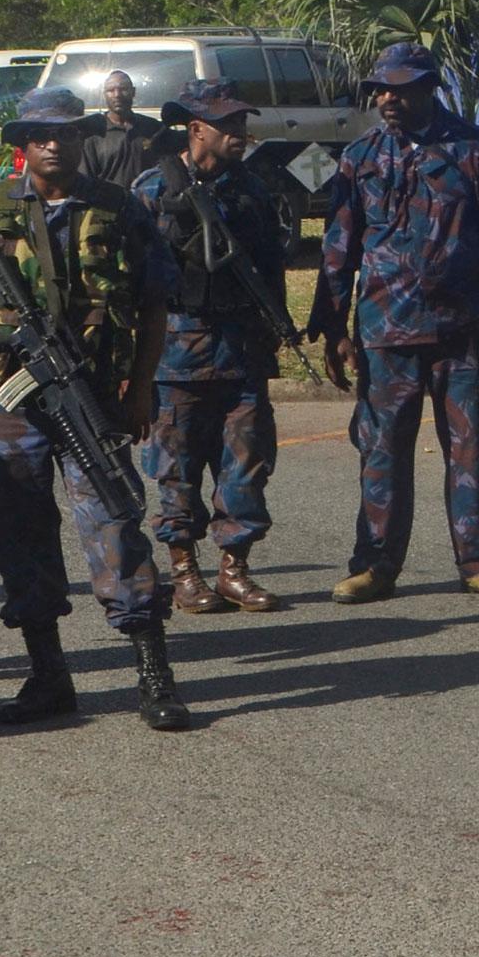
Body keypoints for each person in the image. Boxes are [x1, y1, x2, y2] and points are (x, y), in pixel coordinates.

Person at [0, 86, 191, 730]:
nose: (56, 144)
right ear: (22, 144)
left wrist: (141, 389)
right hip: (10, 402)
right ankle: (48, 674)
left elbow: (158, 301)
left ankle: (152, 671)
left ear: (84, 140)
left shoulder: (120, 209)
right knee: (17, 528)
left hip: (92, 397)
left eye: (68, 133)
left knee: (113, 517)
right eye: (42, 135)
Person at [308, 43, 479, 605]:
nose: (387, 98)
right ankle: (375, 565)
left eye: (399, 88)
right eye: (380, 89)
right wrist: (333, 326)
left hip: (463, 330)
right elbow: (339, 246)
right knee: (380, 451)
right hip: (385, 330)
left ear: (428, 88)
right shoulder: (360, 156)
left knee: (471, 449)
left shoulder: (473, 153)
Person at [129, 79, 288, 615]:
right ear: (196, 129)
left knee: (246, 465)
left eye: (243, 124)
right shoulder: (153, 190)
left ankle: (234, 570)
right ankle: (183, 571)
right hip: (176, 356)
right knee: (176, 469)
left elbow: (272, 269)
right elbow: (131, 282)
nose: (240, 134)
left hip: (241, 353)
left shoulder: (252, 190)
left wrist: (275, 333)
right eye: (229, 125)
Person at [79, 70, 164, 189]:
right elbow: (85, 179)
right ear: (104, 94)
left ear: (133, 92)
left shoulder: (152, 128)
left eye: (123, 89)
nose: (117, 95)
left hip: (146, 205)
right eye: (110, 90)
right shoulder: (92, 133)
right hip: (107, 205)